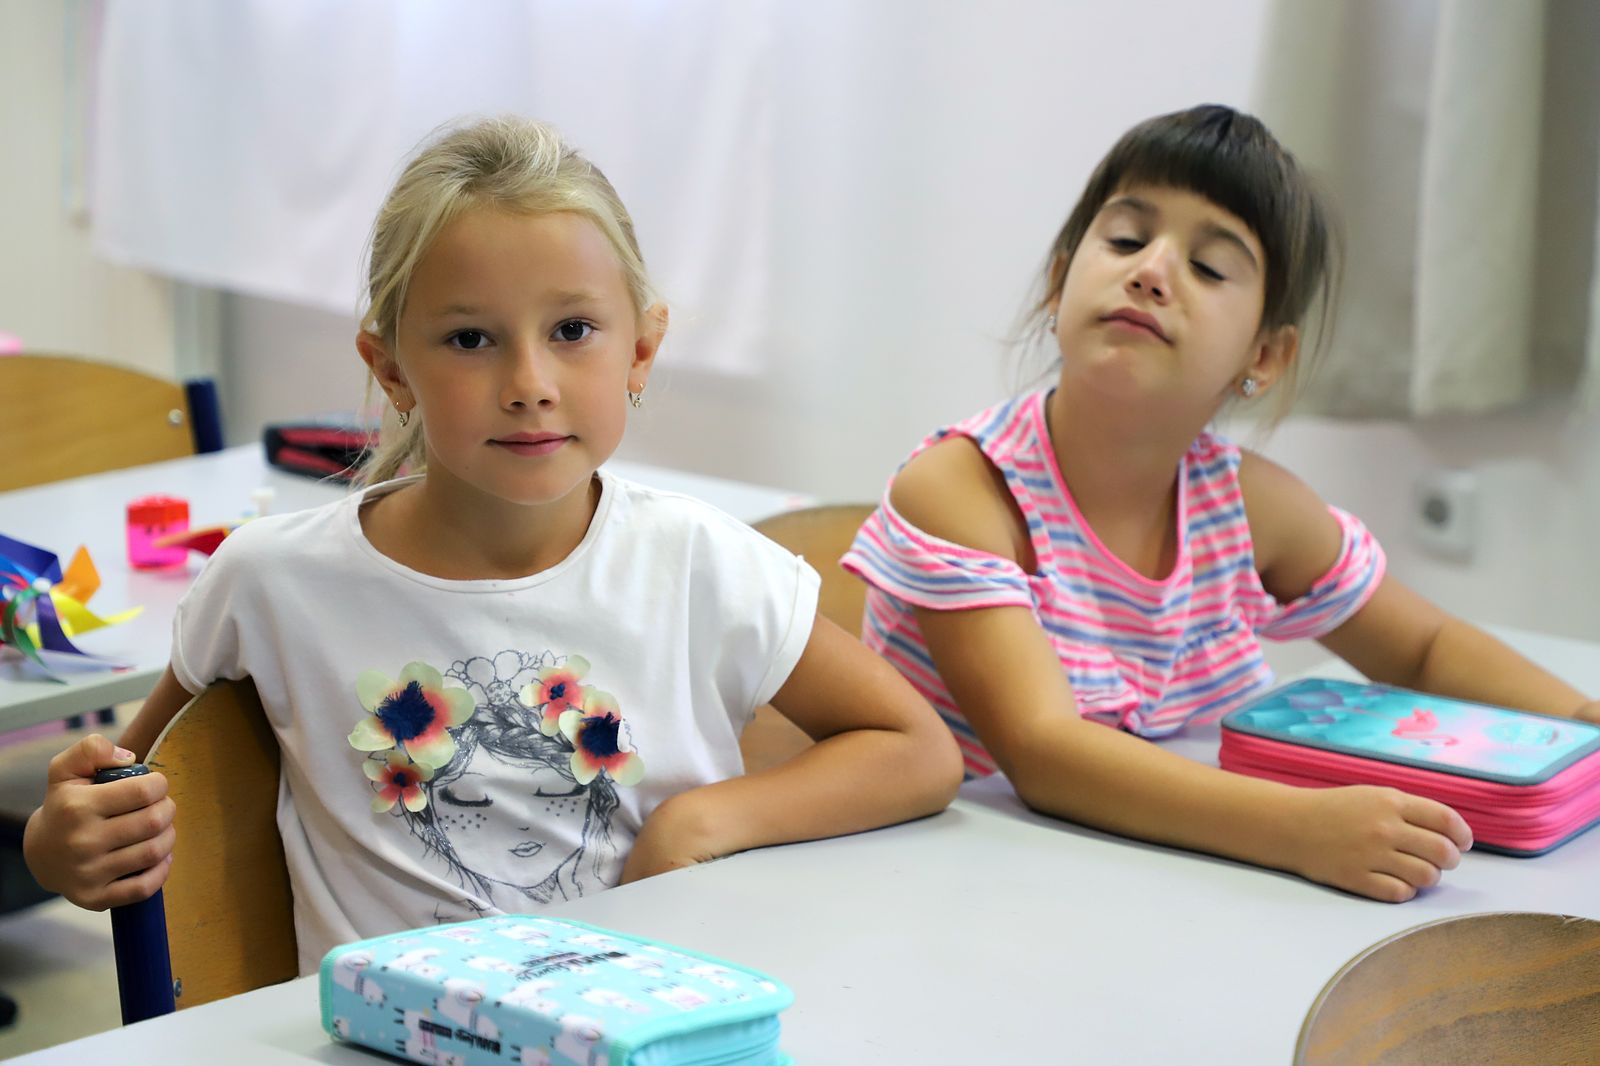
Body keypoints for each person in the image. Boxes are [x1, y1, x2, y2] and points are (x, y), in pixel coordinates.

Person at [23, 117, 962, 971]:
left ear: (641, 350)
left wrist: (701, 820)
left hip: (656, 1025)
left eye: (573, 330)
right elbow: (119, 799)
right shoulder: (271, 582)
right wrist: (62, 841)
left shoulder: (698, 563)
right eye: (471, 338)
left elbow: (916, 749)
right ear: (392, 368)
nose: (529, 382)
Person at [842, 103, 1600, 904]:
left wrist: (1584, 716)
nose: (1152, 271)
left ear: (1263, 355)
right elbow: (1044, 752)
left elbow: (1422, 649)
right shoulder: (962, 488)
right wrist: (1302, 829)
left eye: (1208, 267)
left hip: (1152, 879)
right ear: (1060, 283)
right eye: (1126, 240)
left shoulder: (1250, 507)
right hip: (951, 887)